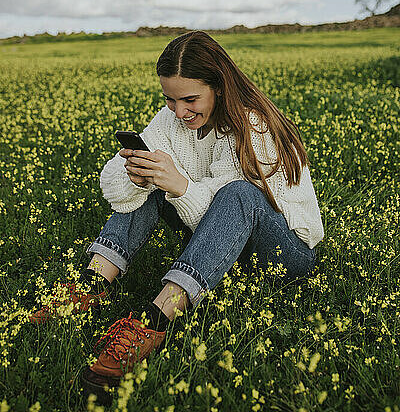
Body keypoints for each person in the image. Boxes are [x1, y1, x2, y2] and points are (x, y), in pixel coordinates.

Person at [29, 30, 324, 402]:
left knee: (236, 192)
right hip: (221, 244)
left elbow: (230, 214)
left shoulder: (253, 126)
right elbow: (112, 183)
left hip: (284, 252)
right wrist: (136, 175)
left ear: (219, 86)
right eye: (169, 99)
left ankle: (154, 320)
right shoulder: (171, 120)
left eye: (190, 99)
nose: (179, 111)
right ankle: (90, 286)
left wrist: (180, 186)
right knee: (150, 177)